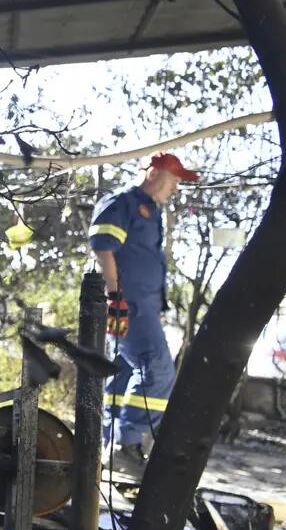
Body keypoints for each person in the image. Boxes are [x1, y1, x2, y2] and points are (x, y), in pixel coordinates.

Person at [89, 152, 199, 476]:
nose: (176, 188)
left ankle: (110, 445)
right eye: (174, 180)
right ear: (153, 174)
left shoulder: (151, 212)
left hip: (141, 306)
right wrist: (115, 296)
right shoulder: (123, 203)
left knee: (124, 372)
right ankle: (127, 443)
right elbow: (103, 245)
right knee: (157, 370)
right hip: (130, 304)